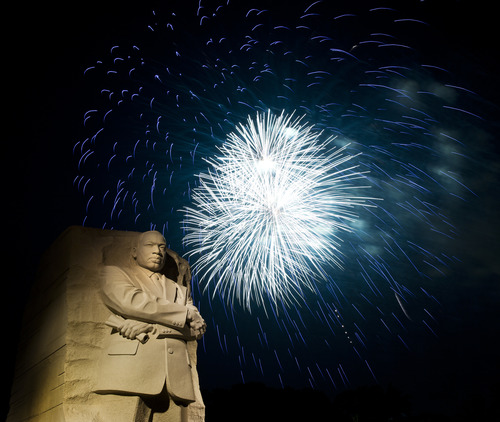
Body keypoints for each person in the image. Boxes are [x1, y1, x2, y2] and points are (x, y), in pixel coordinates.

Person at [94, 230, 206, 421]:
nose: (158, 251)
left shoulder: (180, 290)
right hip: (131, 369)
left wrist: (151, 327)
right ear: (135, 252)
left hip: (177, 379)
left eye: (162, 247)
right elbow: (133, 301)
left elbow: (197, 329)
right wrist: (184, 313)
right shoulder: (114, 273)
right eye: (150, 246)